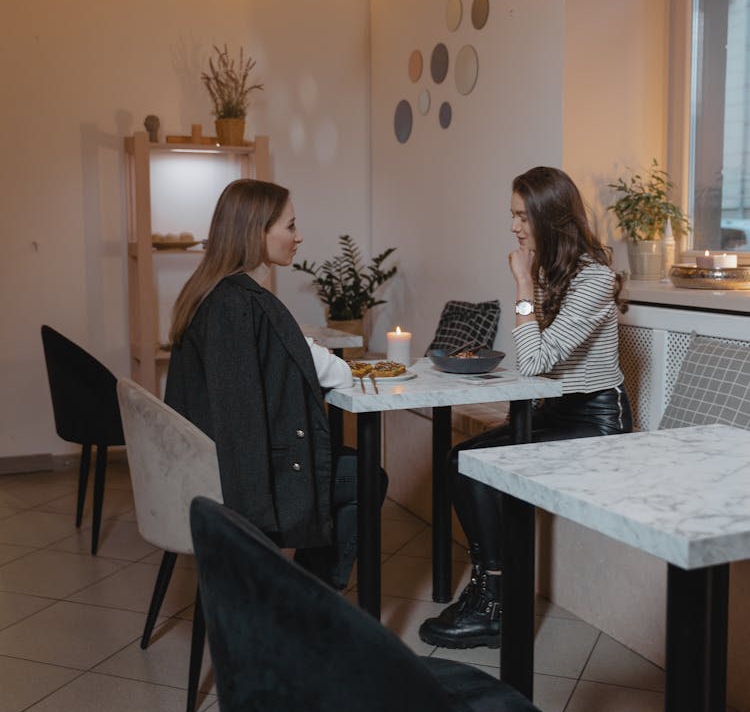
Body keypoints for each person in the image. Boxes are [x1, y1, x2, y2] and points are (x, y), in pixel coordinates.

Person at [419, 166, 633, 649]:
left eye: (521, 216)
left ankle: (494, 605)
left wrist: (520, 284)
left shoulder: (594, 279)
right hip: (553, 412)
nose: (514, 226)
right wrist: (528, 284)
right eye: (512, 215)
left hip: (597, 420)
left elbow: (534, 361)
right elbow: (533, 358)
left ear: (549, 218)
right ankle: (491, 590)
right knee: (462, 460)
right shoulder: (551, 273)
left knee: (478, 470)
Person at [165, 178, 381, 588]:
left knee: (351, 466)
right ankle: (310, 597)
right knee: (368, 474)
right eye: (290, 226)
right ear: (256, 232)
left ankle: (304, 591)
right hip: (245, 482)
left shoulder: (207, 294)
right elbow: (334, 372)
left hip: (204, 470)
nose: (298, 237)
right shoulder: (246, 304)